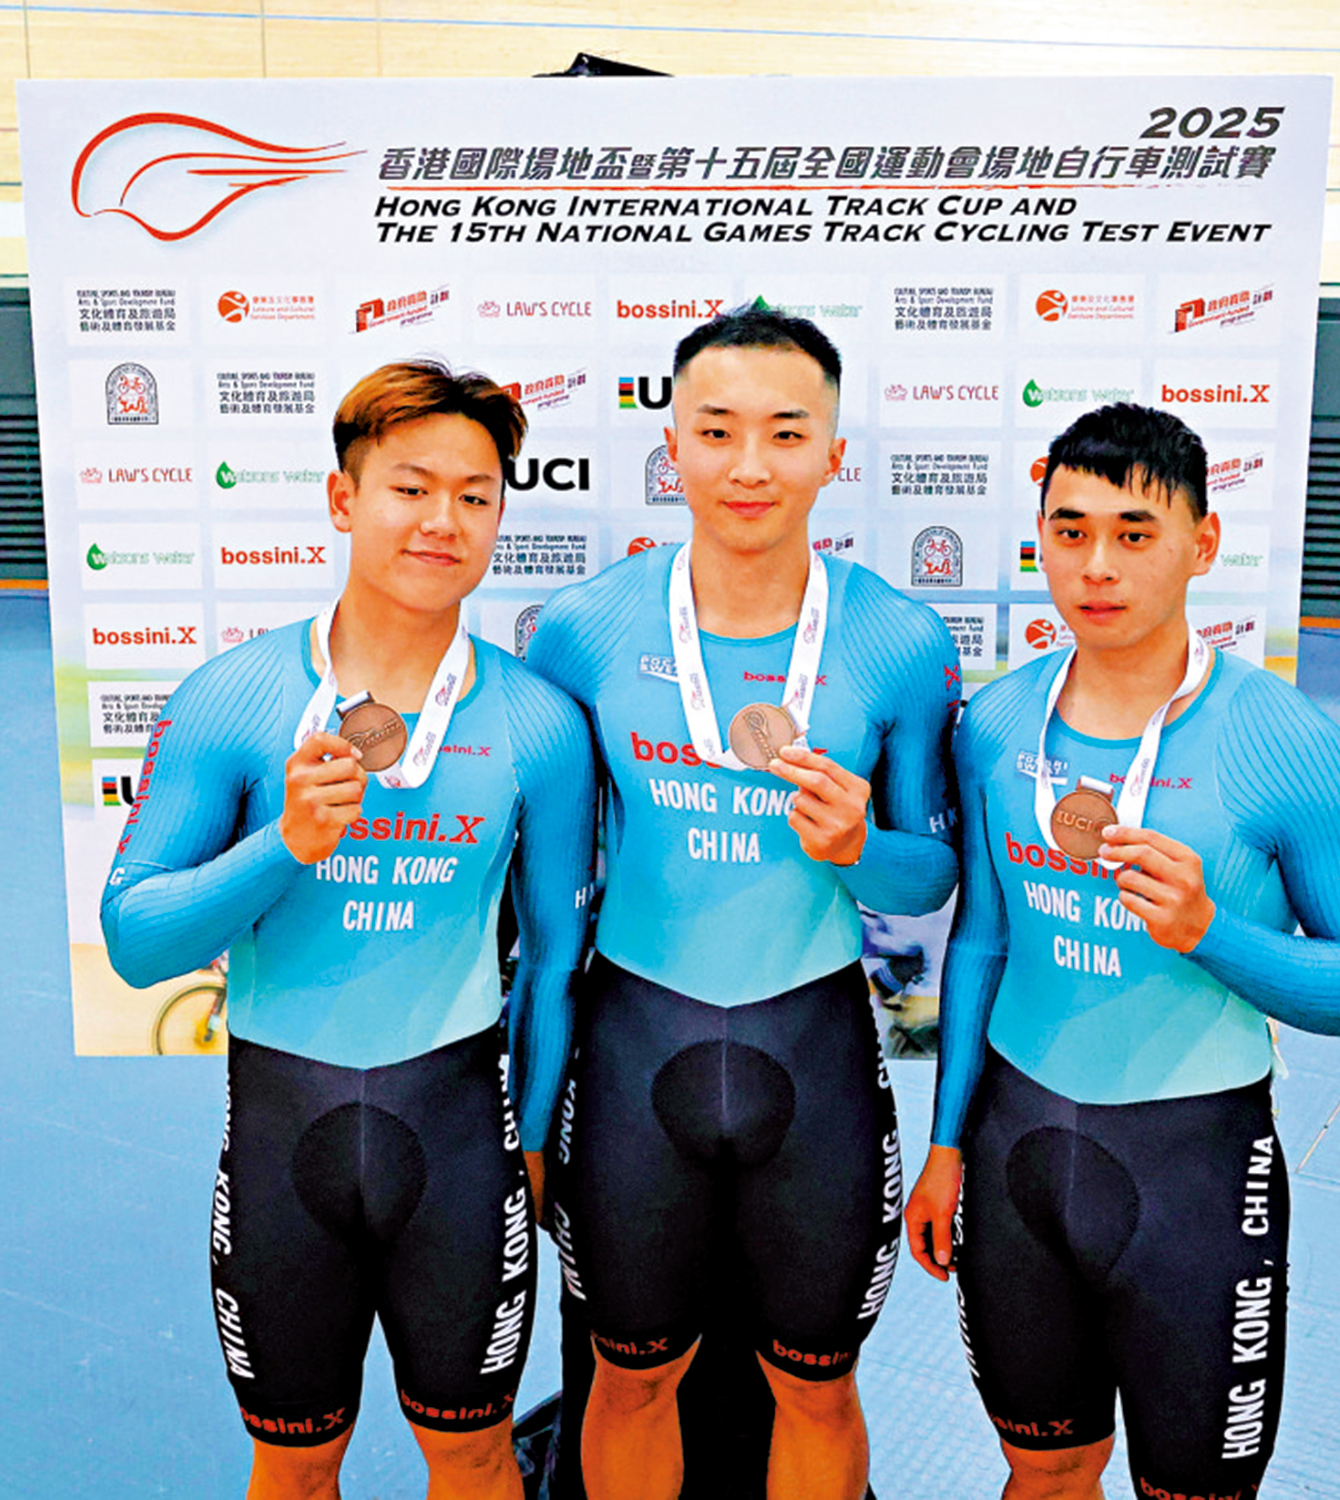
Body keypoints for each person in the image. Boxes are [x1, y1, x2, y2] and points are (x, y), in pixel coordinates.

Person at [101, 360, 596, 1500]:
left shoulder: (537, 723)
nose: (442, 521)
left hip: (461, 1147)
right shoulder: (234, 698)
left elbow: (554, 960)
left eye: (473, 496)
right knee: (293, 1462)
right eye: (410, 489)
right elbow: (135, 940)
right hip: (285, 1147)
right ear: (343, 499)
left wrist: (531, 1138)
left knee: (474, 1455)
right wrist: (282, 845)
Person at [905, 402, 1340, 1500]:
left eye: (1134, 533)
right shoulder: (996, 724)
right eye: (1071, 531)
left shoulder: (1290, 745)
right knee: (1042, 1470)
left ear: (1202, 542)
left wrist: (1211, 935)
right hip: (1015, 1151)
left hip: (1194, 1172)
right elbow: (982, 941)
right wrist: (944, 1144)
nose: (1097, 565)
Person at [528, 304, 960, 1500]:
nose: (749, 465)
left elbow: (926, 877)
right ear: (670, 445)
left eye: (785, 432)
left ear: (833, 453)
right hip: (632, 1046)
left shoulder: (896, 637)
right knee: (626, 1380)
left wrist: (857, 849)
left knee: (816, 1386)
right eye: (716, 431)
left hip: (811, 1051)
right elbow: (549, 889)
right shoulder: (582, 630)